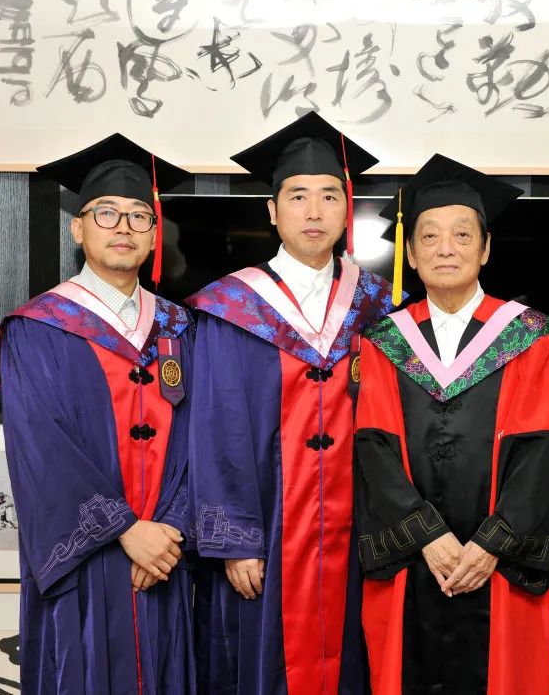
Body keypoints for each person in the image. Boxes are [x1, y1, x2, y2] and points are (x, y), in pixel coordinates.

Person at [186, 112, 396, 695]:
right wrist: (235, 540)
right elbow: (215, 428)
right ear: (272, 211)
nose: (314, 211)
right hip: (269, 535)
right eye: (298, 196)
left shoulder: (379, 306)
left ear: (347, 210)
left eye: (330, 196)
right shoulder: (229, 309)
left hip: (359, 536)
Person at [354, 154, 549, 694]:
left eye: (462, 234)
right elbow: (374, 446)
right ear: (411, 252)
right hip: (414, 562)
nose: (445, 248)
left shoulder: (532, 337)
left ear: (486, 247)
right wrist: (426, 536)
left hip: (498, 566)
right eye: (429, 235)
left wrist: (492, 544)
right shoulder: (384, 342)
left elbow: (543, 449)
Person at [0, 133, 196, 695]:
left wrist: (168, 532)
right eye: (106, 213)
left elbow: (202, 436)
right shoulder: (38, 328)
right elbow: (42, 449)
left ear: (154, 235)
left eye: (138, 216)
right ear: (78, 228)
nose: (123, 227)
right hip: (90, 563)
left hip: (164, 557)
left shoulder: (182, 327)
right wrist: (126, 531)